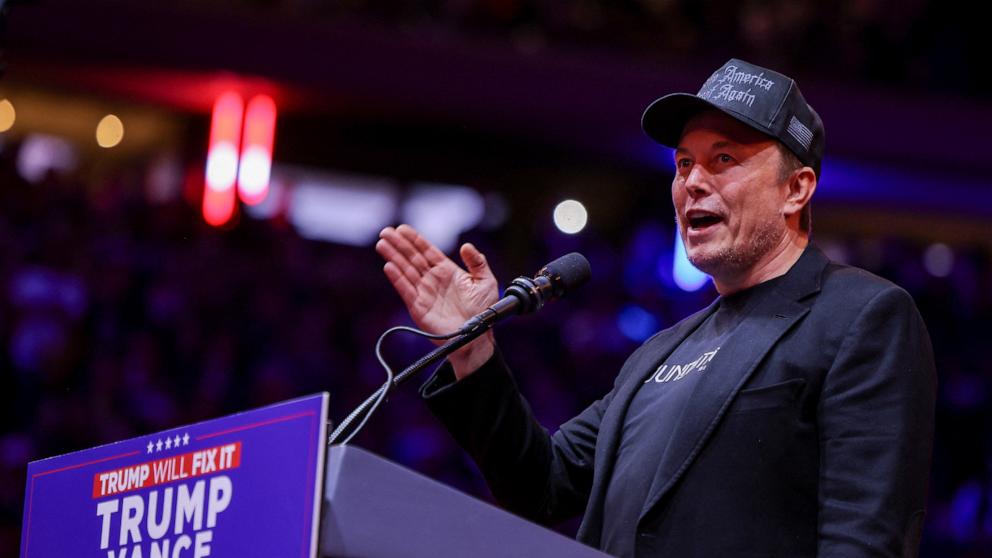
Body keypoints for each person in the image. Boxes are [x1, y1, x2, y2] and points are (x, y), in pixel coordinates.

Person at [375, 58, 936, 557]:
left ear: (796, 189)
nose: (693, 182)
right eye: (684, 163)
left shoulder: (862, 315)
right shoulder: (657, 356)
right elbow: (540, 485)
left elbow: (864, 540)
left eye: (724, 158)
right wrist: (472, 351)